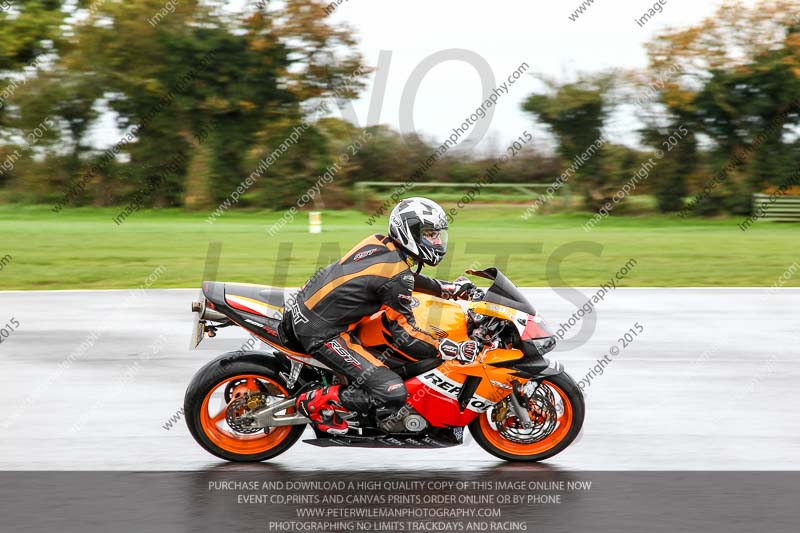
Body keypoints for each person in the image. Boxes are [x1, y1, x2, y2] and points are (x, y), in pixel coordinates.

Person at [282, 197, 479, 435]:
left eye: (438, 234)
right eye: (430, 234)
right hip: (323, 333)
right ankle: (314, 402)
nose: (437, 242)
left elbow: (401, 278)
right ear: (408, 232)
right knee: (392, 391)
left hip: (308, 310)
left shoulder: (380, 243)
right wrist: (448, 348)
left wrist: (447, 288)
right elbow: (405, 335)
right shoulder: (397, 277)